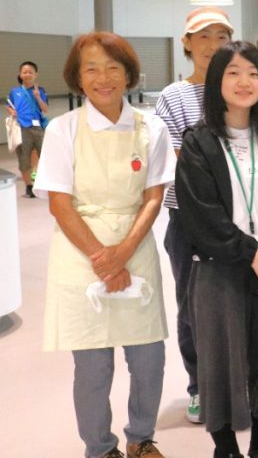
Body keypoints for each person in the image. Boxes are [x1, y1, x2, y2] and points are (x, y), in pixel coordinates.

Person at [35, 32, 175, 458]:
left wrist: (123, 252)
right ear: (77, 78)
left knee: (149, 358)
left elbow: (154, 196)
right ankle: (100, 448)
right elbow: (60, 204)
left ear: (128, 75)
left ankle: (141, 438)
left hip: (136, 247)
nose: (103, 78)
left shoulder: (151, 127)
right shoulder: (63, 129)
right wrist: (104, 259)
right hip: (81, 254)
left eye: (113, 68)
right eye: (91, 69)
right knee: (93, 366)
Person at [174, 41, 258, 458]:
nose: (244, 82)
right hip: (218, 267)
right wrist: (253, 256)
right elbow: (201, 215)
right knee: (220, 363)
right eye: (233, 72)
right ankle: (226, 449)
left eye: (253, 73)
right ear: (217, 81)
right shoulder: (198, 143)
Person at [155, 6, 234, 423]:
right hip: (187, 218)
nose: (212, 45)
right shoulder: (173, 96)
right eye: (203, 36)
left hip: (241, 216)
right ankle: (200, 385)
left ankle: (239, 381)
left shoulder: (241, 86)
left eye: (221, 36)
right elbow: (174, 157)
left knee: (240, 298)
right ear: (186, 43)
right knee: (192, 302)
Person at [6, 60, 49, 198]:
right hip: (22, 128)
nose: (27, 74)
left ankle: (46, 183)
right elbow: (9, 105)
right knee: (24, 159)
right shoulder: (14, 92)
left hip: (38, 128)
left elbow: (45, 109)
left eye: (30, 72)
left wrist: (38, 97)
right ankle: (29, 187)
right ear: (20, 74)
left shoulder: (40, 90)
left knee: (46, 156)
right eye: (25, 72)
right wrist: (11, 111)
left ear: (36, 74)